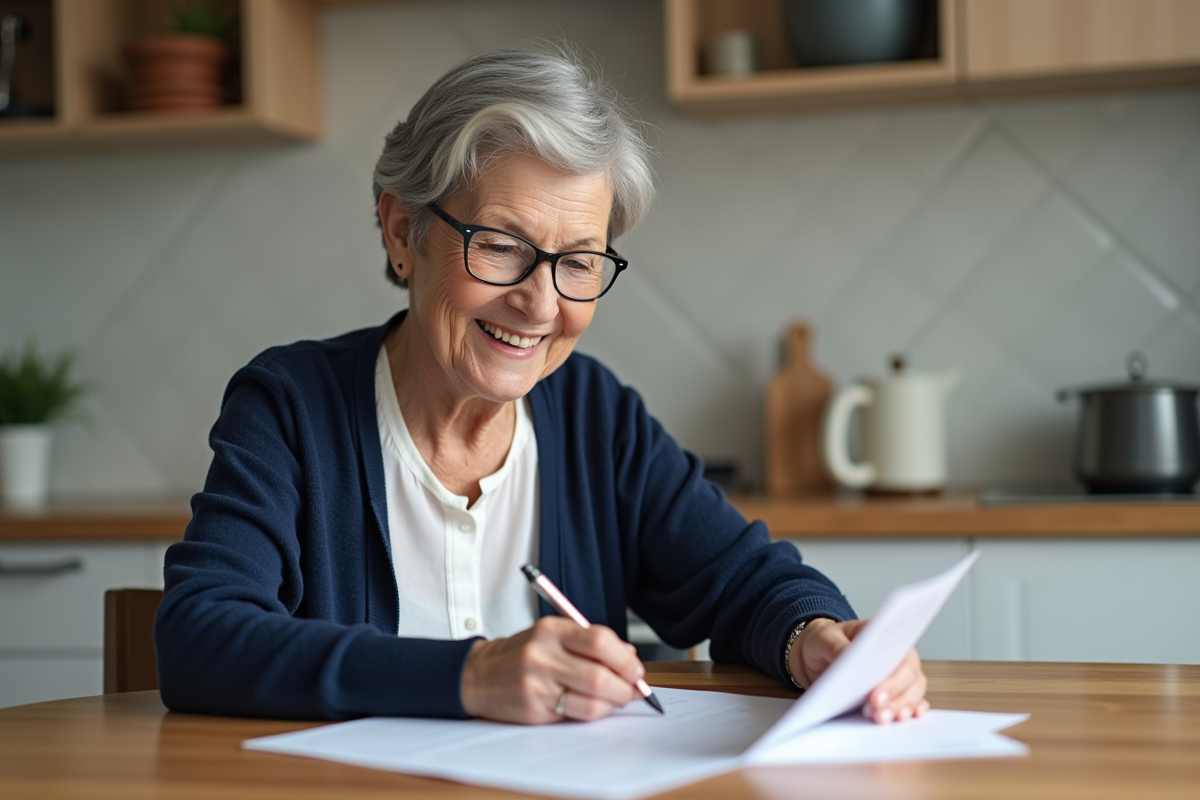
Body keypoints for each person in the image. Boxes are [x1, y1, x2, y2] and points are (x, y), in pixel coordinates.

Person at [155, 46, 928, 725]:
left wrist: (816, 640)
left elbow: (746, 582)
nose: (540, 302)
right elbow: (199, 637)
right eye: (499, 245)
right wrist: (470, 675)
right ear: (402, 232)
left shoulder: (597, 416)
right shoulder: (291, 407)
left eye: (580, 262)